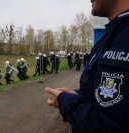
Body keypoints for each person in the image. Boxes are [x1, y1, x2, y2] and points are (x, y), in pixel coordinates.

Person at [45, 0, 129, 132]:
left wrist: (66, 101)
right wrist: (77, 95)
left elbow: (111, 125)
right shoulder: (112, 34)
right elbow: (100, 95)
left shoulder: (123, 36)